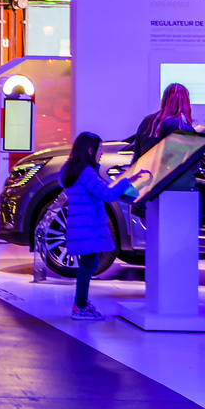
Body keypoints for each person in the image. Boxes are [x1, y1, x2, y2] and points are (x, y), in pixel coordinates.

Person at [60, 131, 145, 320]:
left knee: (90, 263)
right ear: (90, 149)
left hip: (81, 226)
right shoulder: (87, 172)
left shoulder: (72, 169)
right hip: (89, 226)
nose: (102, 153)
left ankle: (81, 303)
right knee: (89, 264)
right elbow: (107, 195)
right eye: (100, 149)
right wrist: (127, 181)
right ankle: (79, 305)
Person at [131, 82, 195, 162]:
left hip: (143, 172)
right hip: (169, 174)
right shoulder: (183, 128)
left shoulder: (147, 121)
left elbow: (137, 153)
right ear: (185, 102)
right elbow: (192, 163)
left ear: (164, 99)